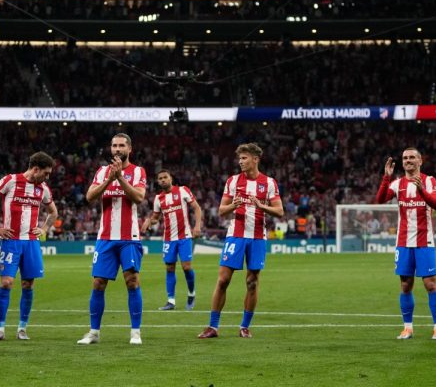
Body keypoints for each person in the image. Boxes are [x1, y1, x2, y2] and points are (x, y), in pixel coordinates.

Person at [198, 143, 284, 339]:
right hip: (235, 236)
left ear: (255, 159)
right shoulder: (233, 181)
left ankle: (244, 327)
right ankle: (213, 327)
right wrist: (233, 206)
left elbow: (279, 211)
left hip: (257, 238)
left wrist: (262, 206)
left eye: (244, 158)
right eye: (239, 159)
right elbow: (221, 210)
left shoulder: (269, 183)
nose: (240, 162)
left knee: (252, 282)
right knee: (223, 280)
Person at [77, 133, 147, 346]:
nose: (117, 149)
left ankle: (135, 332)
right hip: (105, 237)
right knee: (98, 283)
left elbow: (139, 197)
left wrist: (120, 179)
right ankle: (94, 332)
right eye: (114, 145)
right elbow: (89, 197)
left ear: (129, 149)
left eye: (121, 146)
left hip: (129, 237)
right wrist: (110, 178)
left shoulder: (138, 171)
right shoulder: (102, 172)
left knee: (132, 281)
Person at [0, 152, 58, 342]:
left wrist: (43, 229)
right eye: (46, 173)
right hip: (11, 241)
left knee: (28, 284)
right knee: (6, 282)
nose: (47, 177)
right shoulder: (10, 180)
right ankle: (0, 328)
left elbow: (53, 212)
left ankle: (22, 328)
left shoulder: (43, 189)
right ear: (35, 169)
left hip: (31, 243)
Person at [375, 147, 436, 340]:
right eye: (405, 158)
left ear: (420, 161)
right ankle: (408, 328)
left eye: (412, 157)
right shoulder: (397, 184)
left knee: (430, 284)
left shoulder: (429, 181)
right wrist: (386, 177)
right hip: (404, 241)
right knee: (406, 285)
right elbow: (380, 200)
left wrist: (421, 189)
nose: (408, 160)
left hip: (425, 240)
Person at [140, 169, 203, 311]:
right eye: (160, 178)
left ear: (171, 178)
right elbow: (156, 219)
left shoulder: (183, 191)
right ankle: (171, 301)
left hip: (185, 236)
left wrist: (197, 226)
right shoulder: (158, 199)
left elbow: (197, 208)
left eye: (165, 177)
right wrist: (149, 221)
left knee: (186, 267)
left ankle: (191, 293)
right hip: (168, 238)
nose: (162, 180)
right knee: (169, 268)